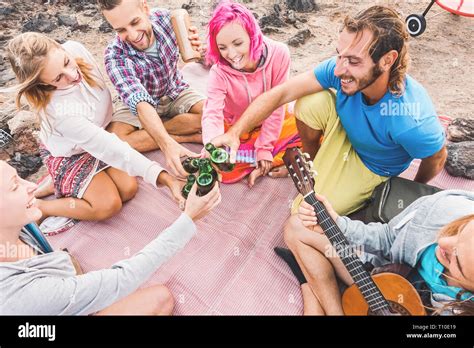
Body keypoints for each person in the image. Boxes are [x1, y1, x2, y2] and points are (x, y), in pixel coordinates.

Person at [212, 6, 447, 215]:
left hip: (372, 164)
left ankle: (349, 183)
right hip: (345, 132)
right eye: (339, 55)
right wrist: (235, 133)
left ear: (387, 61)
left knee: (303, 212)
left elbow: (437, 158)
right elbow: (281, 94)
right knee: (307, 102)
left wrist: (410, 190)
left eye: (353, 61)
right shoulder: (341, 70)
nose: (338, 70)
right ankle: (313, 161)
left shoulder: (411, 119)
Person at [6, 33, 184, 234]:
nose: (72, 75)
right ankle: (41, 206)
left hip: (98, 136)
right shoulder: (60, 113)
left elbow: (105, 142)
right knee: (108, 205)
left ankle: (54, 184)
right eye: (58, 78)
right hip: (69, 154)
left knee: (128, 189)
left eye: (66, 62)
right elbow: (110, 147)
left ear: (63, 48)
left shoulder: (75, 47)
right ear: (43, 84)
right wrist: (166, 178)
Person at [0, 160, 221, 315]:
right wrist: (188, 219)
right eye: (15, 186)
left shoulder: (21, 225)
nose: (31, 186)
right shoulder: (24, 295)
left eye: (21, 177)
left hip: (59, 296)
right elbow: (122, 279)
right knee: (158, 298)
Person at [283, 189, 474, 315]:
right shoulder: (446, 208)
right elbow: (387, 238)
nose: (442, 241)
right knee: (298, 226)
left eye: (455, 260)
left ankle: (309, 290)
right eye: (459, 230)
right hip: (382, 275)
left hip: (409, 304)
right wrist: (341, 225)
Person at [99, 0, 206, 177]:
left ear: (145, 8)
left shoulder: (168, 19)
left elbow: (202, 56)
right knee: (114, 142)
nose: (132, 35)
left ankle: (152, 131)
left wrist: (200, 50)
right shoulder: (114, 56)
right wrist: (167, 144)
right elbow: (140, 102)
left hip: (174, 90)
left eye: (135, 22)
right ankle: (184, 136)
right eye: (121, 30)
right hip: (139, 105)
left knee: (211, 114)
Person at [202, 1, 301, 187]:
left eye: (238, 43)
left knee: (310, 132)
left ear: (252, 35)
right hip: (236, 127)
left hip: (272, 122)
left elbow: (277, 104)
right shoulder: (218, 72)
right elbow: (213, 113)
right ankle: (253, 155)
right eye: (222, 47)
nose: (231, 54)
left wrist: (264, 148)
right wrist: (211, 145)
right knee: (226, 170)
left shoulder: (279, 54)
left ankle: (258, 153)